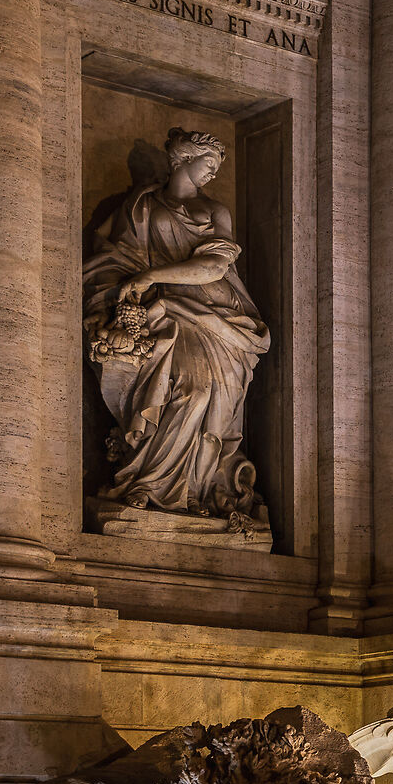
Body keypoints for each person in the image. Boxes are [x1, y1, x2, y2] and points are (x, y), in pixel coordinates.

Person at [82, 127, 270, 524]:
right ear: (183, 158)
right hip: (167, 315)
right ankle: (150, 484)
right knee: (192, 390)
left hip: (218, 317)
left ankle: (196, 492)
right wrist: (128, 292)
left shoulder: (214, 211)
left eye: (218, 167)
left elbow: (217, 266)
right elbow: (111, 258)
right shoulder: (142, 207)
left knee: (217, 406)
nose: (213, 173)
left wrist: (151, 278)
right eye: (209, 163)